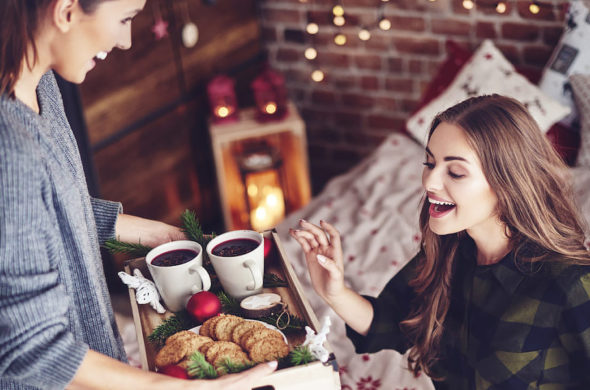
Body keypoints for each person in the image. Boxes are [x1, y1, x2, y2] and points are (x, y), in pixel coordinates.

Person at [0, 0, 276, 389]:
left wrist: (163, 237)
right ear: (66, 11)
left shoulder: (42, 84)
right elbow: (32, 346)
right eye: (125, 18)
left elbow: (52, 211)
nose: (127, 40)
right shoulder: (9, 149)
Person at [290, 94, 590, 389]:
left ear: (507, 183)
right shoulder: (451, 251)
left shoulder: (570, 282)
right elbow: (391, 323)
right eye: (430, 163)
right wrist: (334, 291)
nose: (429, 183)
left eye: (456, 172)